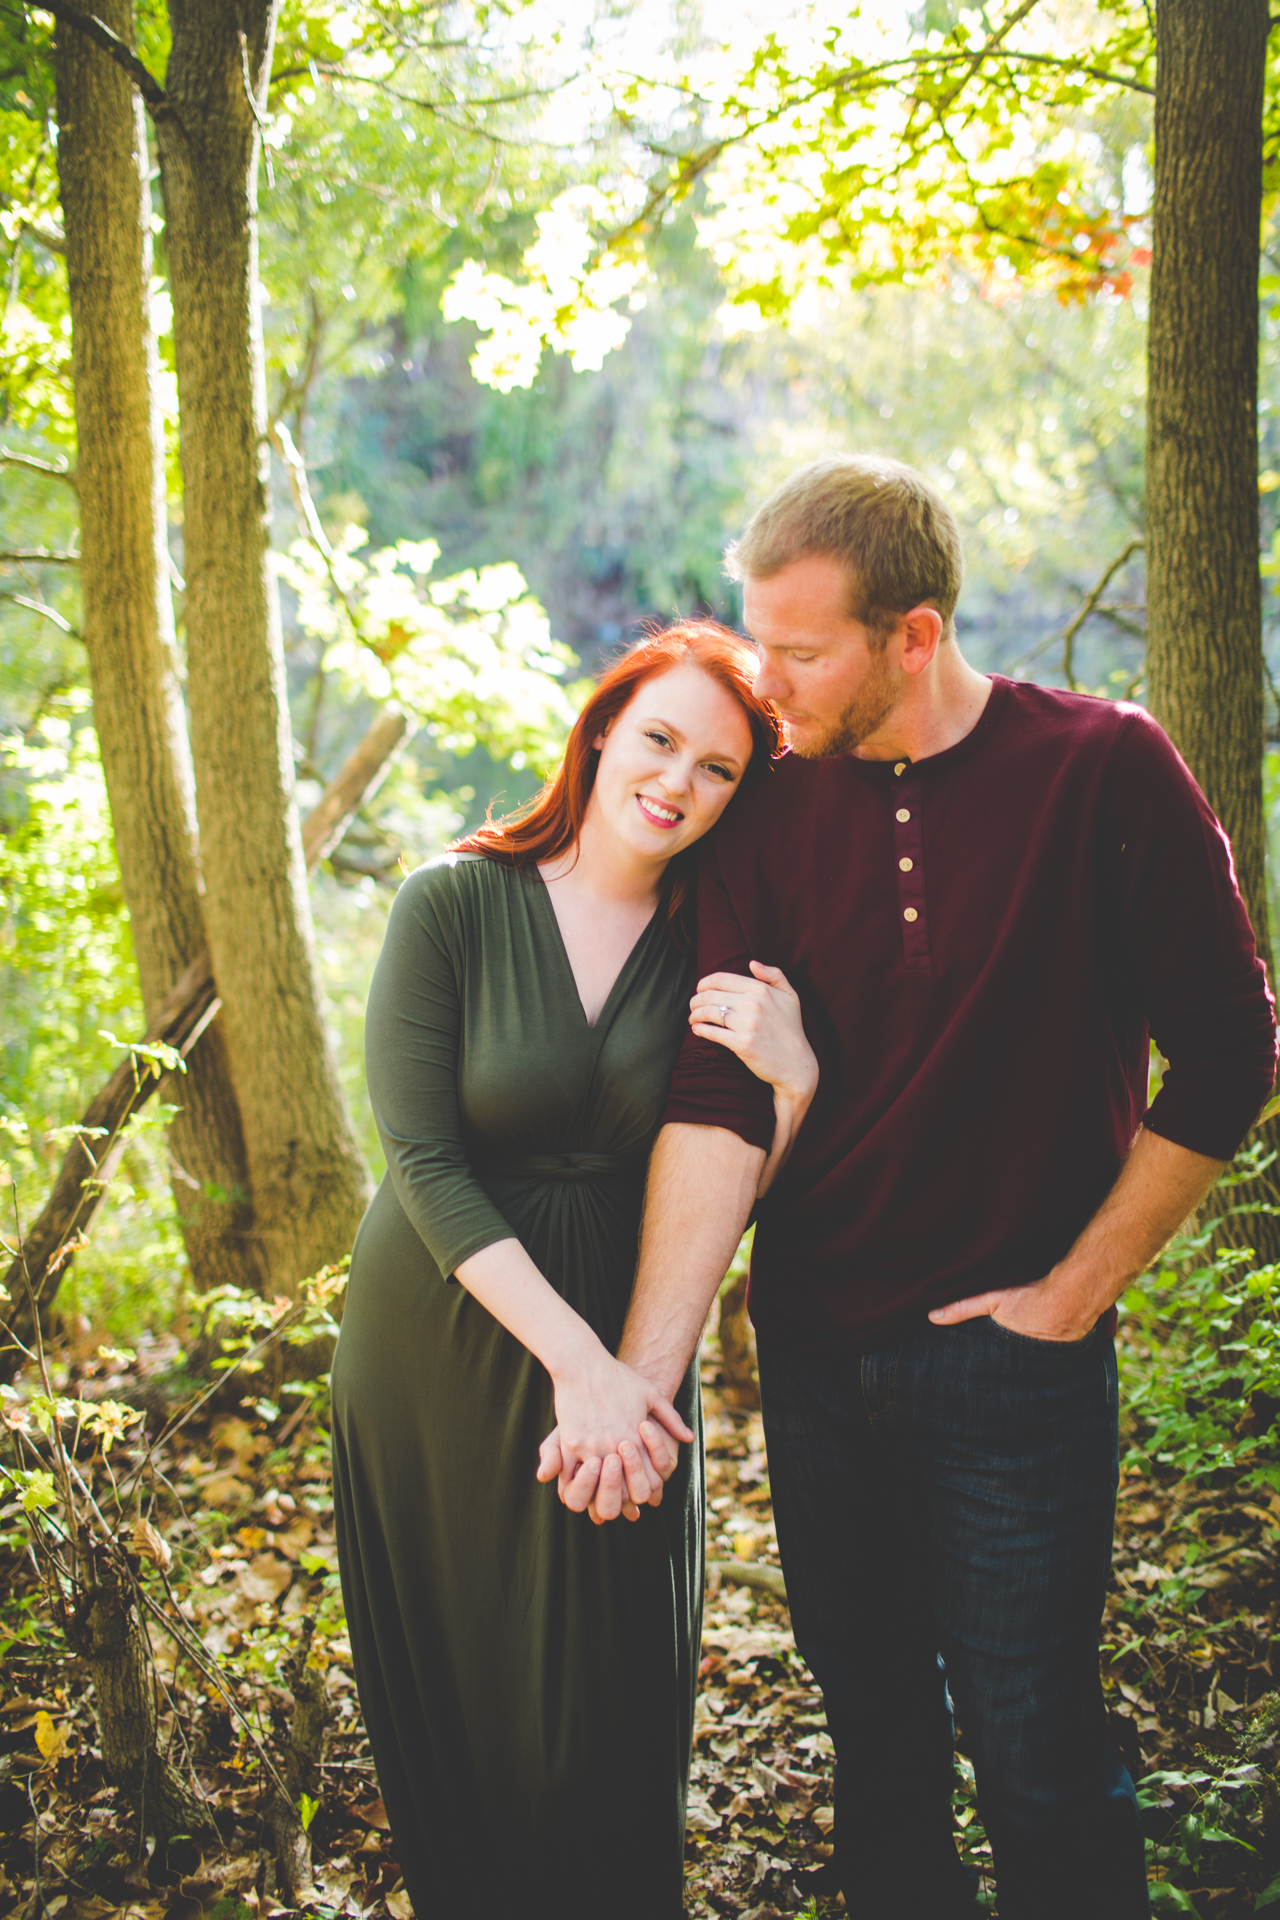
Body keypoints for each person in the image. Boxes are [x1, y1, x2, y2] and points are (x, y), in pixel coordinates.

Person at [542, 457, 1279, 1920]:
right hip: (816, 1358)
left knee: (1038, 1757)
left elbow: (1229, 1055)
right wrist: (640, 1375)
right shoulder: (761, 810)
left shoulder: (1101, 771)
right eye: (757, 640)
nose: (769, 683)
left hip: (1017, 1371)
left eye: (802, 651)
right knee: (876, 1754)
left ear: (916, 636)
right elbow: (715, 1103)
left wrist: (1068, 1304)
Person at [329, 623, 818, 1920]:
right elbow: (423, 1160)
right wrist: (577, 1368)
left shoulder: (721, 943)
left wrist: (799, 1084)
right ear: (603, 729)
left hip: (632, 1344)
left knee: (604, 1728)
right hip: (443, 1339)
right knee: (471, 1718)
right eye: (660, 739)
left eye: (719, 770)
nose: (678, 783)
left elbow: (733, 1190)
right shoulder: (453, 900)